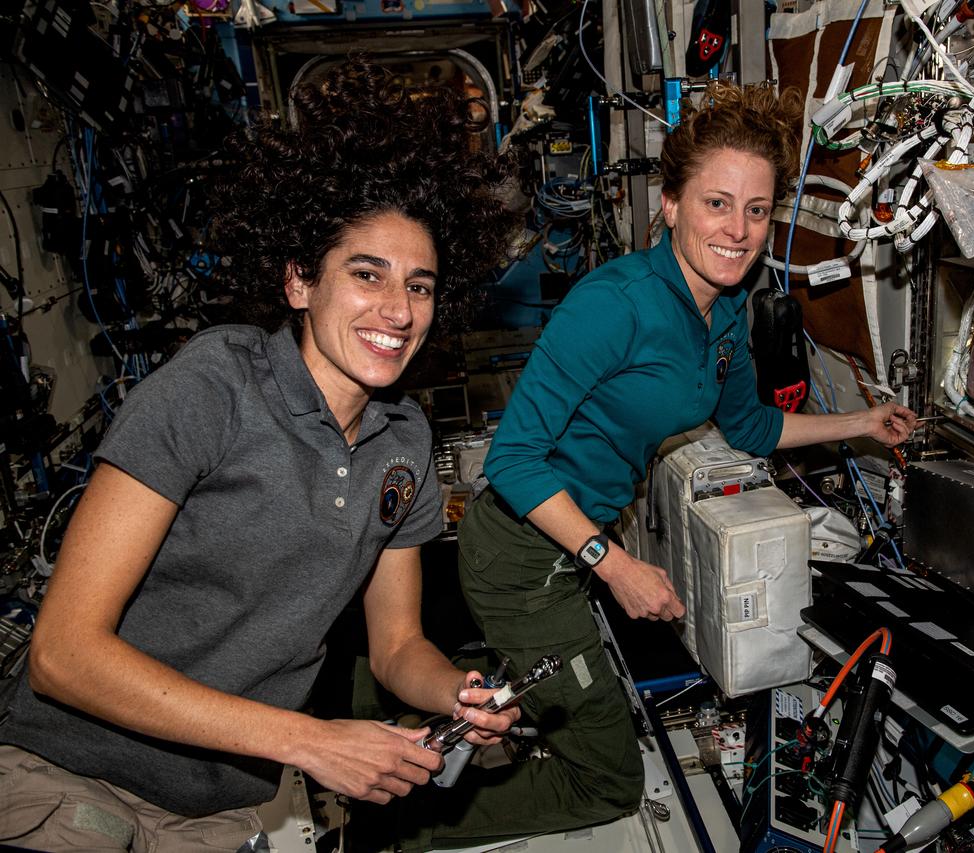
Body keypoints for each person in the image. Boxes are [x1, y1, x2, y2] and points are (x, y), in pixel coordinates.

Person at [0, 58, 520, 851]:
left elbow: (397, 647)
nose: (397, 309)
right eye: (366, 274)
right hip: (68, 773)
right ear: (298, 282)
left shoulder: (405, 442)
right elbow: (62, 655)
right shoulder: (215, 385)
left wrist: (460, 693)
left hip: (215, 812)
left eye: (420, 285)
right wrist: (309, 740)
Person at [394, 81, 917, 849]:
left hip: (569, 553)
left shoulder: (729, 308)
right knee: (609, 774)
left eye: (757, 209)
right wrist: (615, 565)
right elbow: (513, 458)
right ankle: (401, 827)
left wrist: (862, 422)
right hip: (517, 556)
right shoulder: (616, 304)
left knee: (578, 705)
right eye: (716, 203)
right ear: (670, 203)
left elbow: (749, 424)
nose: (738, 230)